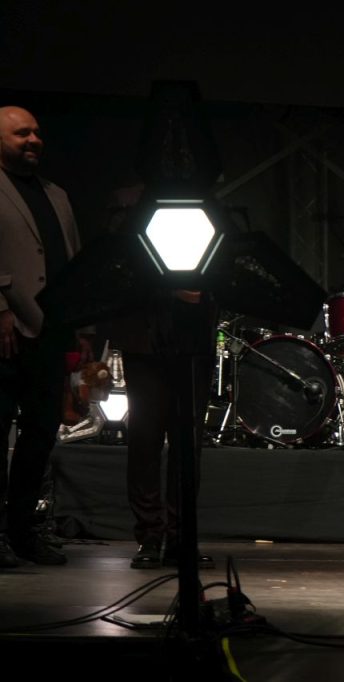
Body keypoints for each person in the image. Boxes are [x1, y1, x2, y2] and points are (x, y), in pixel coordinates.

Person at [102, 180, 218, 570]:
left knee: (188, 445)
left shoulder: (207, 200)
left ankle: (181, 536)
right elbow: (118, 262)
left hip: (193, 341)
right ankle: (151, 535)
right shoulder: (129, 200)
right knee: (146, 439)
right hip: (146, 338)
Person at [0, 105, 91, 567]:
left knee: (40, 435)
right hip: (7, 330)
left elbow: (72, 263)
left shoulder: (56, 194)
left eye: (37, 132)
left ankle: (23, 532)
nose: (33, 140)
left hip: (49, 331)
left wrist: (82, 327)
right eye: (22, 133)